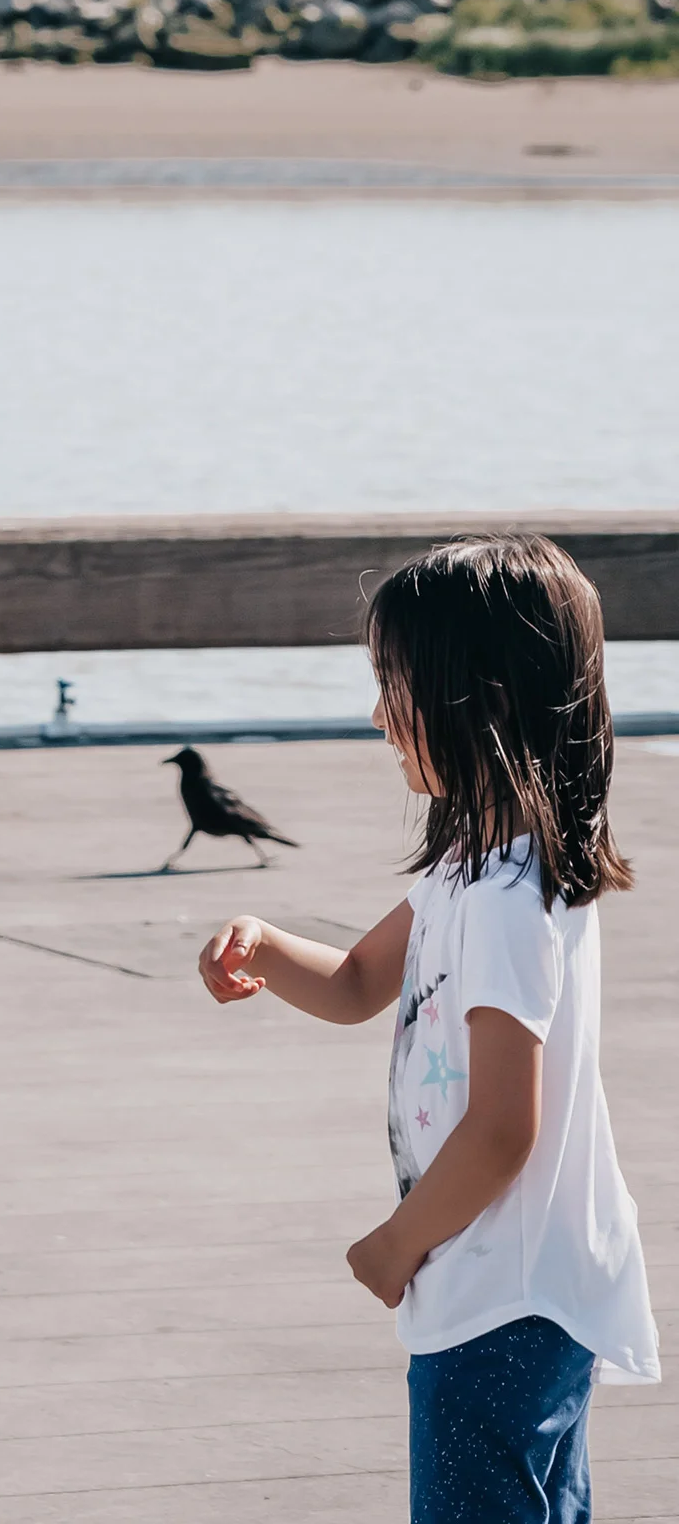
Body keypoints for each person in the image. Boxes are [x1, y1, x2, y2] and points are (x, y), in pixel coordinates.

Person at [197, 535, 660, 1522]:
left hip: (501, 1289)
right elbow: (363, 980)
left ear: (477, 697)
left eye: (393, 681)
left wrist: (395, 1242)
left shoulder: (505, 899)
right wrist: (268, 945)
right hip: (506, 1275)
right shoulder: (469, 869)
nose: (376, 713)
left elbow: (502, 1127)